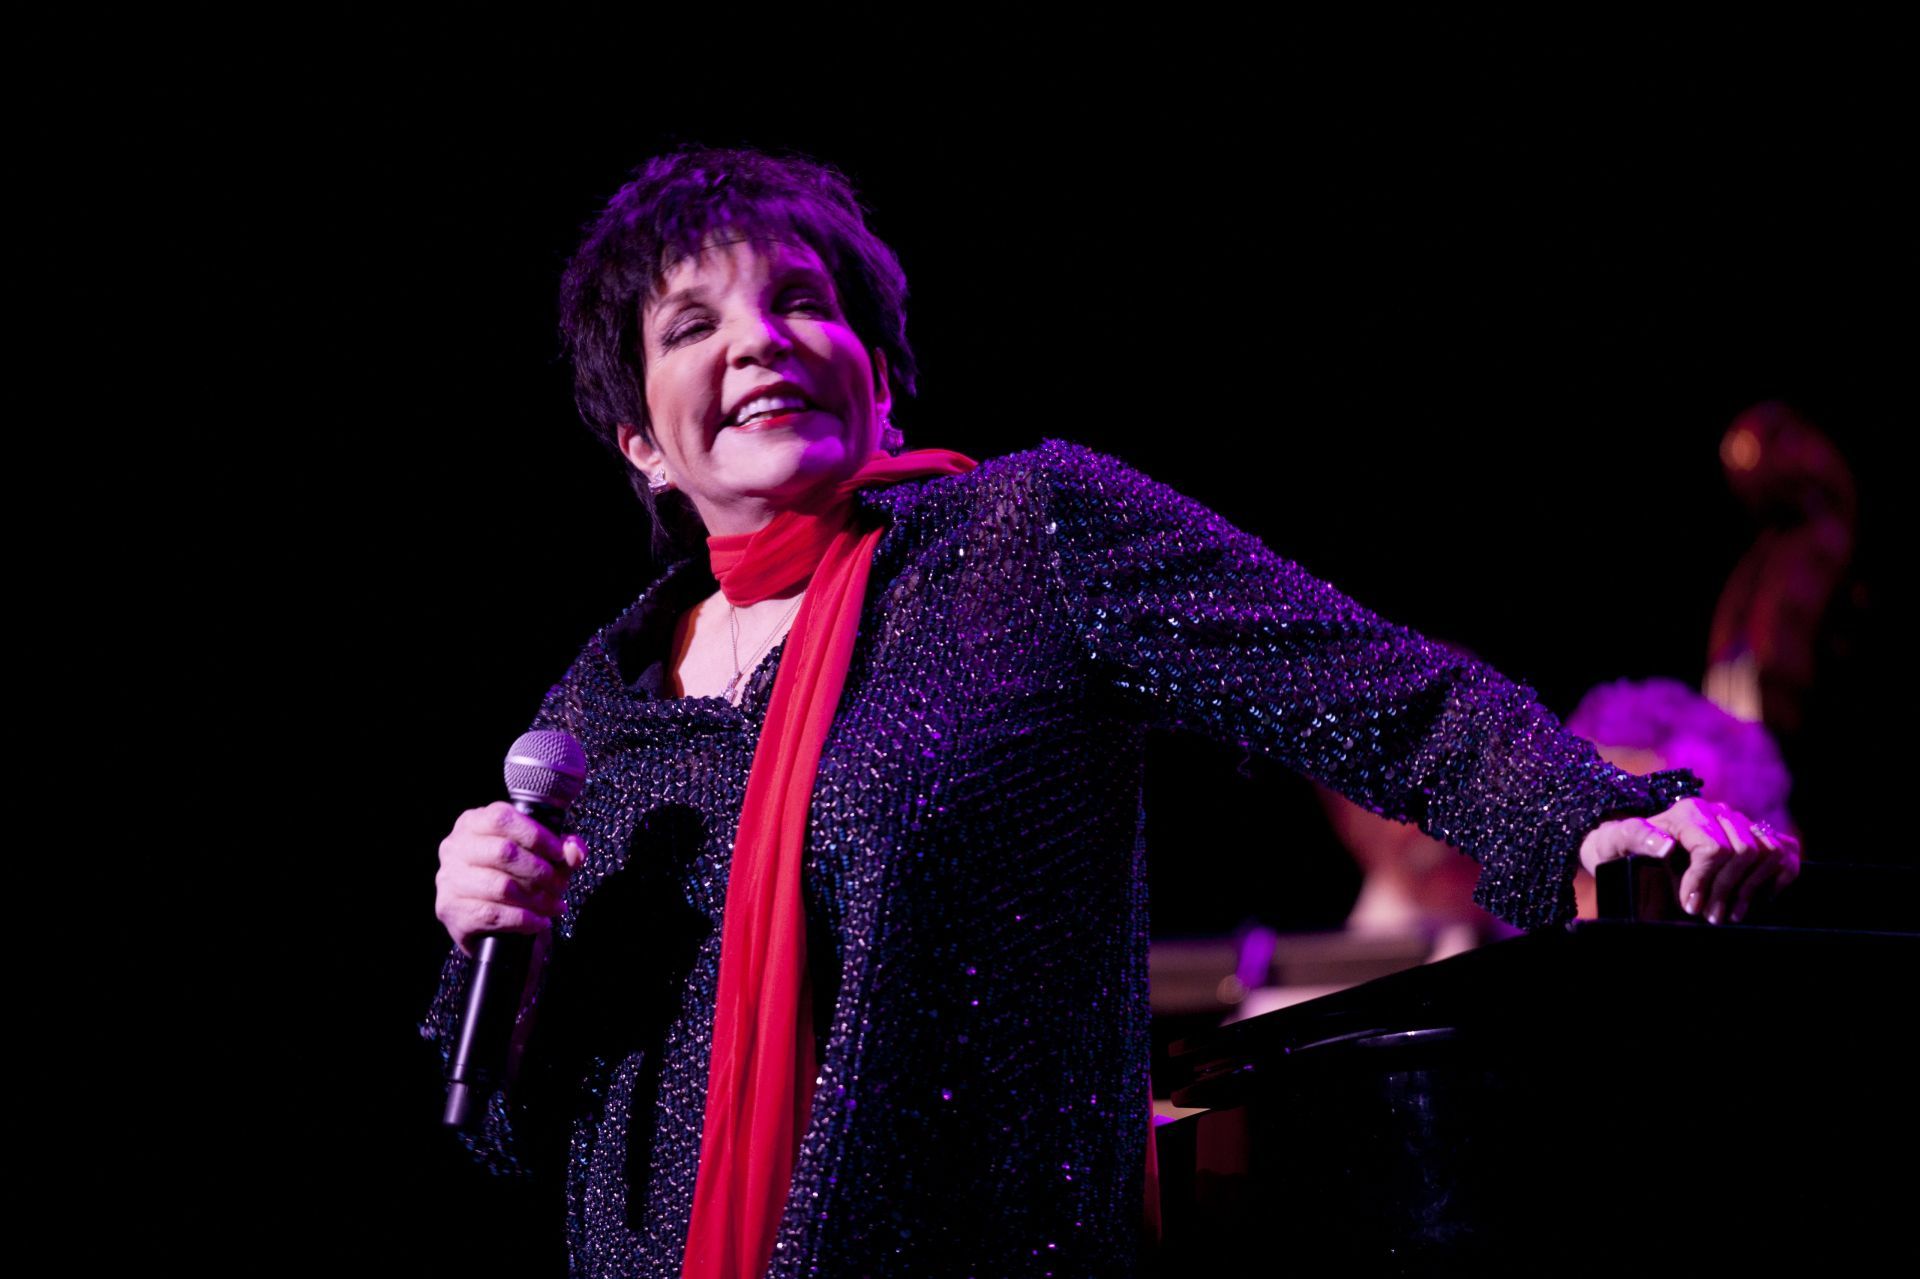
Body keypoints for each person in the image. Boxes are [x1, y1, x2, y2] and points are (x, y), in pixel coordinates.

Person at [423, 146, 1802, 1278]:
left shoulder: (1028, 539)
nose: (761, 342)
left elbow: (1383, 692)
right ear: (643, 444)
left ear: (880, 371)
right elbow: (512, 1139)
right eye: (693, 326)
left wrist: (1597, 814)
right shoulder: (596, 718)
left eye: (802, 300)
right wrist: (499, 946)